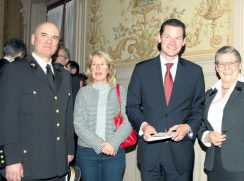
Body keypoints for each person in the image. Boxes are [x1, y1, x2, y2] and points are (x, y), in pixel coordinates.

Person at [126, 18, 205, 181]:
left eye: (178, 38)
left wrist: (188, 127)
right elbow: (132, 106)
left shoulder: (195, 72)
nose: (172, 42)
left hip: (181, 156)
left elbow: (199, 108)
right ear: (159, 37)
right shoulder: (141, 70)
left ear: (184, 41)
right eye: (168, 36)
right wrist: (143, 125)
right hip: (149, 155)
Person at [0, 22, 75, 181]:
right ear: (33, 39)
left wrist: (69, 149)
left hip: (57, 161)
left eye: (54, 38)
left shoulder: (65, 75)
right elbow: (7, 118)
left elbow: (67, 115)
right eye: (44, 35)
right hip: (27, 164)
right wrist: (12, 159)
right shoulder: (15, 70)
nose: (49, 41)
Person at [197, 46, 244, 181]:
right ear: (216, 67)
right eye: (222, 63)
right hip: (214, 166)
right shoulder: (209, 94)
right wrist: (207, 136)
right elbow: (201, 124)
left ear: (239, 66)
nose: (227, 67)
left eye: (232, 63)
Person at [74, 51, 132, 181]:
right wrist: (101, 144)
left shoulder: (120, 90)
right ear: (90, 69)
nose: (98, 68)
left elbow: (128, 121)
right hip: (87, 154)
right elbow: (78, 124)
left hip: (114, 153)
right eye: (94, 64)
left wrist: (112, 143)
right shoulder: (82, 93)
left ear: (109, 68)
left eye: (102, 64)